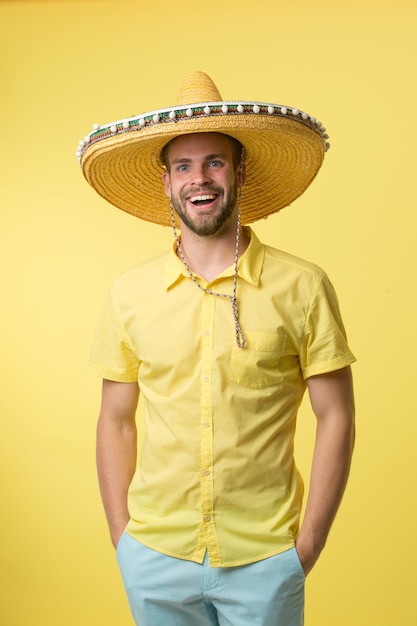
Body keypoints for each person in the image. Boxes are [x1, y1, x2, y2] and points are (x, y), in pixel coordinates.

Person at [77, 71, 356, 626]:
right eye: (182, 165)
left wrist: (306, 549)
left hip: (265, 558)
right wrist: (123, 540)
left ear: (239, 173)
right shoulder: (128, 292)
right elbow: (116, 421)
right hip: (155, 556)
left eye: (214, 162)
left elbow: (337, 417)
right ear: (166, 182)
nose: (198, 179)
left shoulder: (302, 286)